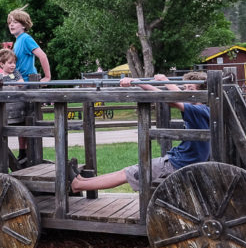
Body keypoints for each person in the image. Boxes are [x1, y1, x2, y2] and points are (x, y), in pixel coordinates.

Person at [69, 71, 210, 194]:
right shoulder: (203, 110)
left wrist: (162, 81)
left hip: (178, 164)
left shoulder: (199, 110)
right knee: (127, 171)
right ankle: (83, 181)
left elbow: (173, 99)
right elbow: (165, 95)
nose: (186, 91)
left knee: (127, 173)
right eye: (184, 88)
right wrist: (138, 83)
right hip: (177, 160)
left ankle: (78, 185)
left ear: (201, 93)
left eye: (190, 88)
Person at [6, 8, 51, 166]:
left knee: (27, 119)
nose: (12, 25)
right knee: (22, 119)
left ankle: (27, 152)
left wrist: (47, 77)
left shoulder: (25, 38)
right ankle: (22, 152)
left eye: (15, 22)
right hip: (20, 84)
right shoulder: (17, 42)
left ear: (24, 25)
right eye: (10, 22)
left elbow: (42, 55)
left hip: (27, 84)